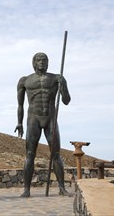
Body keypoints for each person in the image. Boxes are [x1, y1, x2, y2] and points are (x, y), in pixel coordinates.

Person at [15, 52, 71, 197]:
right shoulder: (24, 81)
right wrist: (19, 123)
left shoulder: (55, 78)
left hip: (50, 118)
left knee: (56, 154)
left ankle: (61, 188)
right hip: (33, 118)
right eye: (39, 60)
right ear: (34, 62)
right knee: (29, 154)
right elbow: (20, 105)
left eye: (45, 60)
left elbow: (66, 100)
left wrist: (63, 85)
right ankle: (26, 190)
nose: (42, 62)